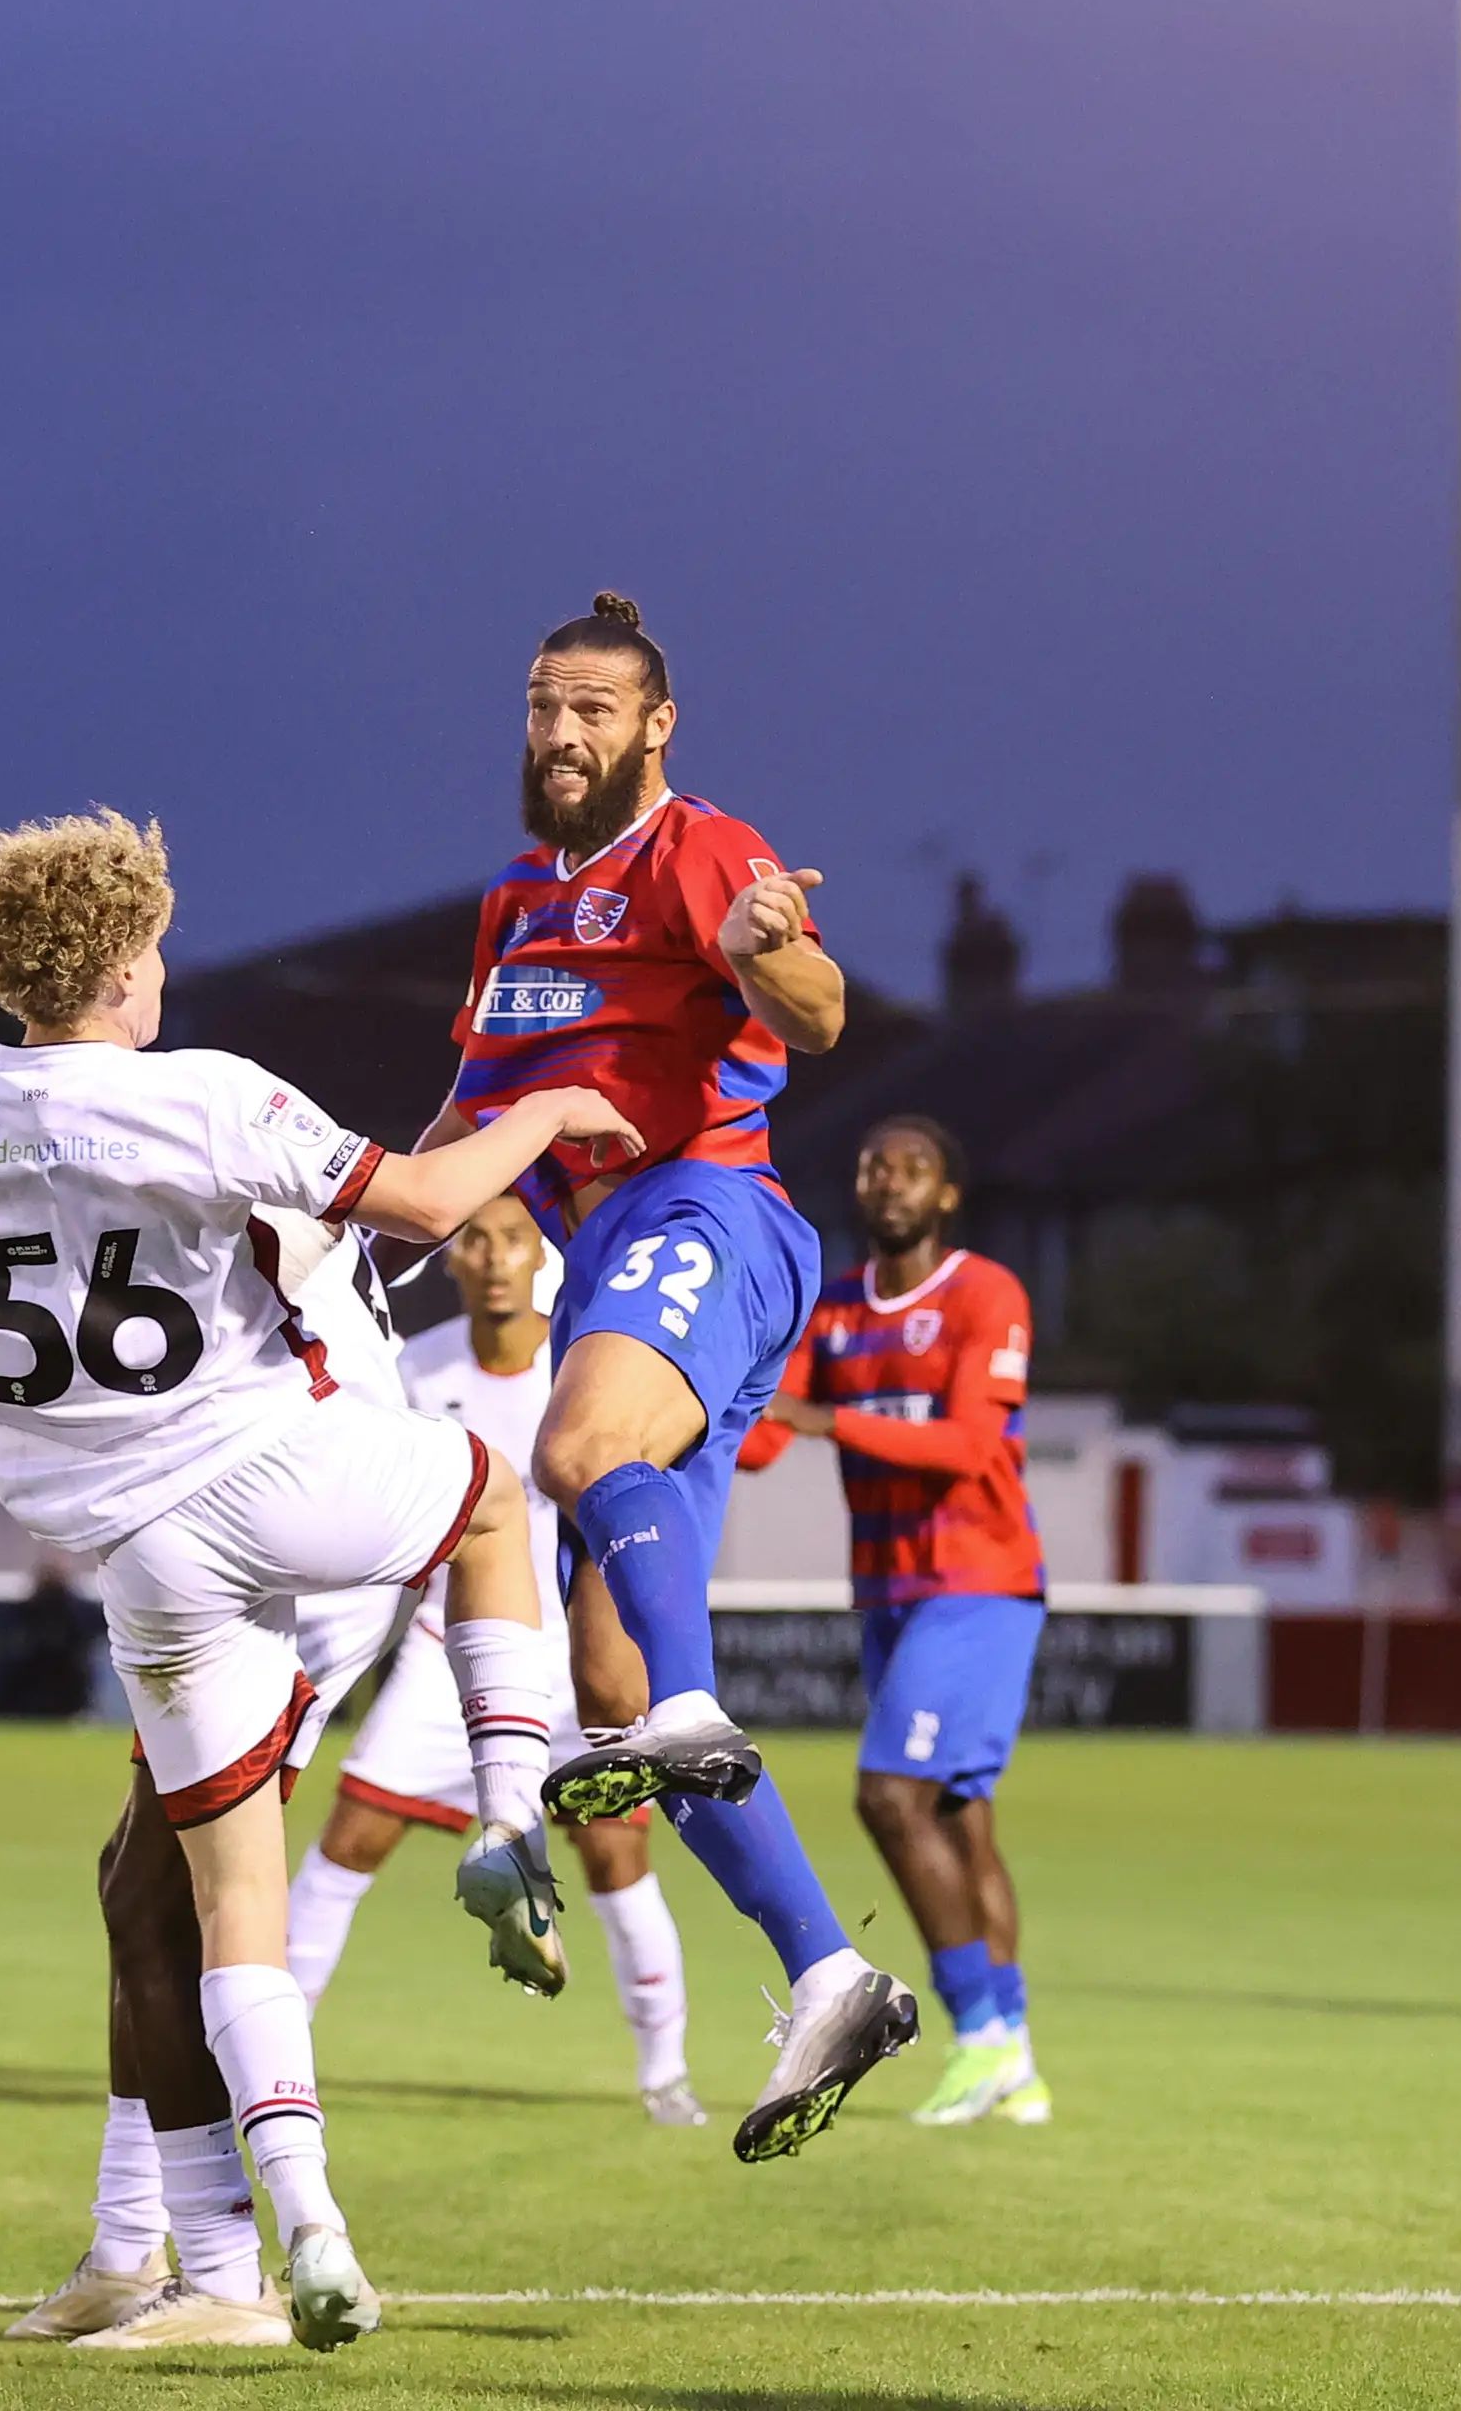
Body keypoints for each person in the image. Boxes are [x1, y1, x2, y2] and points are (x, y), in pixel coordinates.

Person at [0, 810, 639, 2351]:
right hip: (283, 1490)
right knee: (493, 1499)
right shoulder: (209, 1096)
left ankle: (280, 2239)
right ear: (119, 963)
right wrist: (558, 1099)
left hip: (130, 1541)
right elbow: (436, 1206)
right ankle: (512, 1814)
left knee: (211, 1902)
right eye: (155, 944)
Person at [426, 591, 915, 2161]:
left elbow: (822, 1011)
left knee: (571, 1455)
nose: (561, 736)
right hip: (613, 1270)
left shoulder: (696, 847)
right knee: (611, 1691)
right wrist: (306, 1205)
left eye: (592, 711)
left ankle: (699, 1710)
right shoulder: (515, 907)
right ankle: (829, 1972)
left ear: (654, 726)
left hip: (710, 1211)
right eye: (541, 707)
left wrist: (779, 955)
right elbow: (455, 1133)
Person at [10, 1215, 432, 2350]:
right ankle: (127, 2244)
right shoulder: (244, 1156)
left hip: (280, 1558)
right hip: (288, 1534)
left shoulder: (190, 1158)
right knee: (132, 1887)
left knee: (163, 1903)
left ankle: (223, 2270)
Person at [289, 1195, 705, 2125]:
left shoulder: (590, 1368)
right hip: (450, 1649)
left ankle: (665, 2073)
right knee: (348, 1841)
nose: (492, 1256)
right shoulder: (414, 1369)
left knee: (613, 1857)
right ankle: (274, 2055)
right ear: (451, 1257)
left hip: (569, 1659)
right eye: (473, 1237)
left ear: (543, 1259)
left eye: (514, 1238)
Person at [741, 1116, 1051, 2127]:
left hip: (978, 1581)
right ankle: (1015, 2057)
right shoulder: (830, 1310)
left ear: (947, 1193)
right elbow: (760, 1442)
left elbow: (966, 1445)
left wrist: (821, 1419)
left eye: (914, 1167)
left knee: (890, 1796)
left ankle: (980, 2037)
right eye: (874, 1165)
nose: (890, 1181)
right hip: (887, 1591)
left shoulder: (983, 1291)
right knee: (959, 1819)